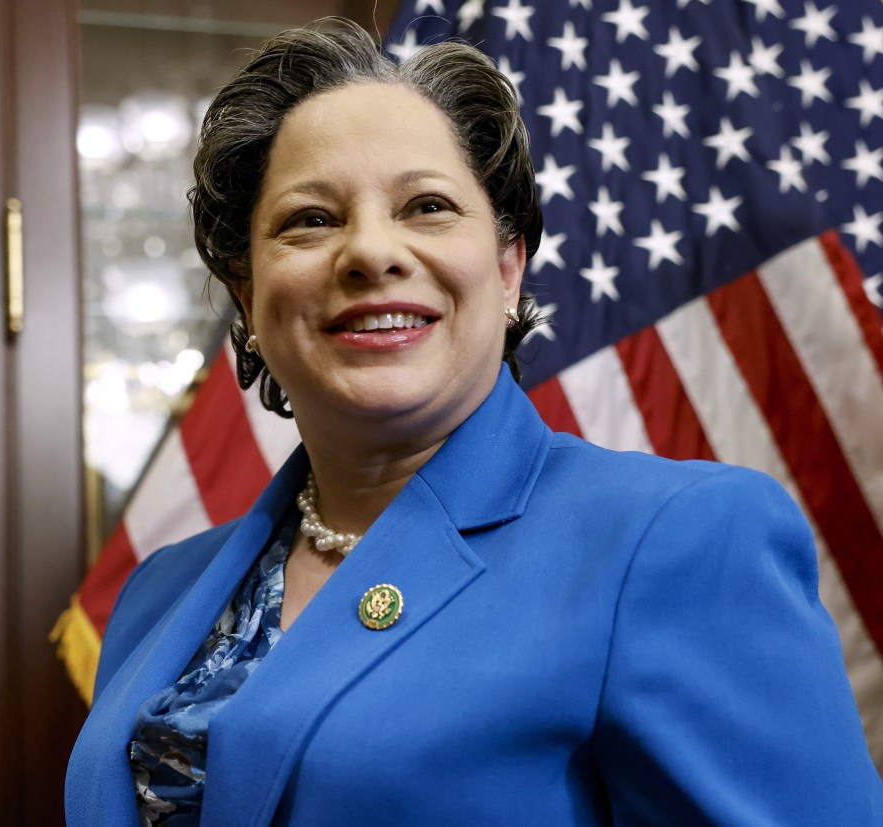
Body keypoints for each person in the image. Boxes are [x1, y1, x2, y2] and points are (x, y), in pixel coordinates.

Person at [66, 18, 882, 825]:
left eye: (425, 206)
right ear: (248, 296)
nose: (370, 253)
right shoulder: (161, 589)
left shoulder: (681, 539)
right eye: (310, 219)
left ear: (505, 268)